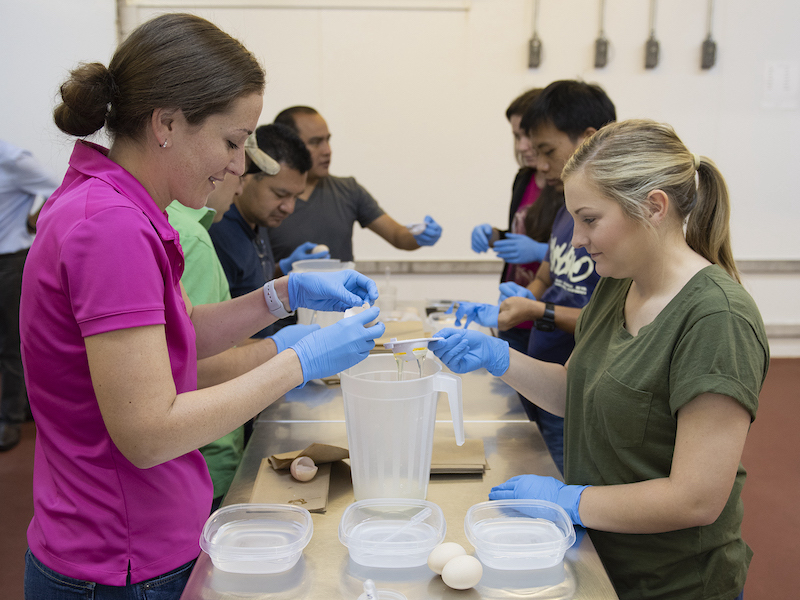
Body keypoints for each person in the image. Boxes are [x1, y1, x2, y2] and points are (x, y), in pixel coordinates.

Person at [20, 13, 384, 599]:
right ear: (167, 123)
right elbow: (147, 432)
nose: (239, 165)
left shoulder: (121, 207)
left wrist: (280, 295)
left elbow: (173, 336)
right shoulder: (110, 228)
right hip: (121, 559)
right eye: (232, 142)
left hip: (133, 539)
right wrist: (298, 362)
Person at [431, 119, 769, 600]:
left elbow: (695, 498)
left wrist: (571, 500)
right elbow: (578, 391)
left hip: (671, 582)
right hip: (599, 560)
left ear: (653, 207)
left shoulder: (717, 319)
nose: (576, 240)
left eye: (590, 220)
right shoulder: (618, 285)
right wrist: (500, 358)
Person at [458, 80, 616, 472]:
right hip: (551, 370)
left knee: (565, 471)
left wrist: (537, 309)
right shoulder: (569, 199)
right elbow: (552, 264)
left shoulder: (615, 225)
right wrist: (526, 296)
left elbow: (607, 323)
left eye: (547, 151)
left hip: (577, 380)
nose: (540, 165)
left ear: (588, 139)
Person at [167, 173, 319, 510]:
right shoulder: (191, 237)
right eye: (231, 149)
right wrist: (285, 353)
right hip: (202, 456)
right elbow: (195, 363)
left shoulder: (193, 228)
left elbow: (191, 334)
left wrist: (283, 294)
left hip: (205, 446)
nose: (237, 180)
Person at [269, 105, 443, 262]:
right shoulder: (266, 197)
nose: (327, 151)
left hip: (341, 297)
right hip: (283, 297)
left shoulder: (348, 190)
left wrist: (420, 235)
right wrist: (284, 268)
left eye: (327, 140)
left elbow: (397, 235)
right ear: (289, 145)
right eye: (315, 142)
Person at [209, 122, 327, 337]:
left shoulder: (258, 220)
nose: (288, 207)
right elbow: (212, 344)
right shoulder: (219, 233)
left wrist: (280, 270)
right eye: (280, 195)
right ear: (246, 175)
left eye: (295, 197)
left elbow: (245, 284)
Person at [468, 88, 562, 355]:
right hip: (514, 310)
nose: (522, 145)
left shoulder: (566, 186)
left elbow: (574, 247)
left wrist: (541, 251)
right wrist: (495, 236)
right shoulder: (524, 178)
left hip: (548, 314)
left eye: (528, 135)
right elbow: (522, 231)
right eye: (516, 136)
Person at [0, 140, 59, 451]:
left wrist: (33, 219)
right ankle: (18, 407)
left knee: (10, 344)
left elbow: (57, 189)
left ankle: (9, 420)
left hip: (10, 260)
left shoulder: (13, 158)